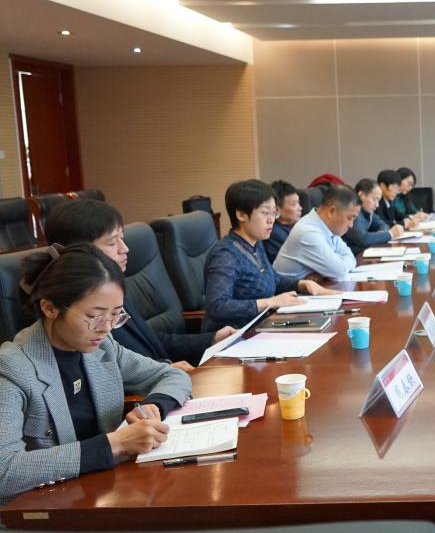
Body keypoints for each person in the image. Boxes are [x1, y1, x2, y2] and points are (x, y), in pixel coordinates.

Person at [0, 243, 191, 505]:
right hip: (49, 506)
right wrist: (115, 444)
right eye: (95, 316)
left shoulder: (103, 348)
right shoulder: (12, 368)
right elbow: (5, 472)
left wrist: (154, 406)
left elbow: (172, 376)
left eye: (116, 315)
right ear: (50, 308)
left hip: (108, 490)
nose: (106, 328)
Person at [45, 200, 234, 371]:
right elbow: (103, 375)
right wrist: (160, 371)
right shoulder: (73, 310)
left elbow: (150, 342)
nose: (125, 248)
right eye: (112, 243)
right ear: (78, 251)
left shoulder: (112, 289)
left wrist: (212, 338)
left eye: (122, 238)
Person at [204, 180, 334, 331]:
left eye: (274, 213)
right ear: (241, 214)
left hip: (263, 325)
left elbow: (273, 280)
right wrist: (270, 302)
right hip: (235, 335)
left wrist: (301, 284)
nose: (271, 219)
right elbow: (217, 306)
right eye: (265, 212)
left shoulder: (255, 244)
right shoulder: (225, 255)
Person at [274, 183, 361, 281]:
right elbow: (339, 271)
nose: (351, 225)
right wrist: (330, 270)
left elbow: (350, 258)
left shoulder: (328, 228)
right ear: (332, 211)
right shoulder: (308, 232)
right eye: (349, 218)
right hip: (290, 290)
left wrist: (326, 272)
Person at [344, 178, 403, 255]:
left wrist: (381, 233)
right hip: (351, 255)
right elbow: (363, 239)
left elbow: (383, 224)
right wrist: (390, 234)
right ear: (361, 195)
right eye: (375, 199)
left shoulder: (368, 211)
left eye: (378, 200)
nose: (377, 205)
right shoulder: (353, 213)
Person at [266, 180, 303, 264]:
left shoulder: (298, 225)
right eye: (294, 204)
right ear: (277, 209)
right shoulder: (274, 234)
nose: (300, 208)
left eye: (299, 203)